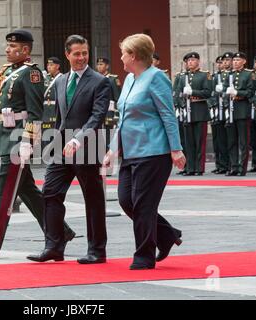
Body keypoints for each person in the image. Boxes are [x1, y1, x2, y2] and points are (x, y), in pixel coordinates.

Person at [0, 29, 76, 260]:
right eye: (8, 45)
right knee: (27, 191)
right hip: (7, 135)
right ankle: (60, 232)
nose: (7, 49)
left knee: (4, 192)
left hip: (18, 139)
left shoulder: (31, 74)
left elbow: (35, 112)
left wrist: (28, 141)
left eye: (13, 47)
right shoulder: (10, 71)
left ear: (25, 50)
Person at [103, 33, 185, 270]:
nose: (120, 58)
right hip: (130, 151)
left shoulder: (157, 78)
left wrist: (176, 149)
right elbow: (123, 118)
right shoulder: (129, 79)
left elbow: (168, 115)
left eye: (123, 54)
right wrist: (112, 150)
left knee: (143, 205)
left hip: (154, 152)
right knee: (126, 200)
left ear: (134, 56)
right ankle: (167, 235)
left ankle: (144, 255)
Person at [27, 35, 110, 265]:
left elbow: (97, 117)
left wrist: (79, 139)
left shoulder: (100, 81)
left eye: (85, 53)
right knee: (51, 193)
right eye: (77, 53)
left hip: (88, 144)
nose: (82, 57)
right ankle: (53, 246)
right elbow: (60, 117)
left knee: (93, 199)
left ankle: (97, 250)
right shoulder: (61, 80)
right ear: (67, 55)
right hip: (62, 146)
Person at [180, 52, 211, 176]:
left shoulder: (204, 75)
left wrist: (193, 92)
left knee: (199, 142)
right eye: (188, 61)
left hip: (199, 111)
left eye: (193, 60)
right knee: (189, 143)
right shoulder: (182, 77)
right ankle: (190, 168)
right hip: (187, 112)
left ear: (198, 61)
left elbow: (208, 92)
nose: (190, 63)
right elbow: (177, 93)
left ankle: (199, 168)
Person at [223, 52, 255, 176]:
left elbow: (250, 92)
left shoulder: (248, 74)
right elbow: (225, 91)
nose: (235, 62)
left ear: (244, 61)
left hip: (242, 110)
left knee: (243, 141)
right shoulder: (229, 74)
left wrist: (237, 93)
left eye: (238, 60)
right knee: (231, 141)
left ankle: (242, 168)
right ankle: (233, 167)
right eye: (234, 60)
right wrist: (227, 95)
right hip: (231, 111)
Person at [208, 54, 229, 175]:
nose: (220, 65)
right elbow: (210, 93)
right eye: (219, 63)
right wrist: (212, 106)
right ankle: (219, 164)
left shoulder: (228, 75)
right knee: (217, 140)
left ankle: (226, 164)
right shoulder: (215, 76)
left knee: (224, 139)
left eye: (223, 62)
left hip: (225, 111)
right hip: (216, 110)